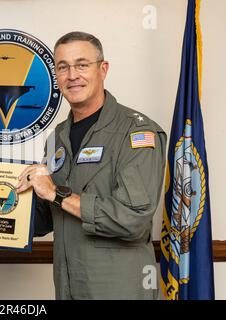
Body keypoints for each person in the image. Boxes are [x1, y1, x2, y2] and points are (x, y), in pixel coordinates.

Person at [16, 32, 167, 299]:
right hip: (68, 287)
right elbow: (48, 217)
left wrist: (56, 193)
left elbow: (133, 220)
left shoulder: (136, 133)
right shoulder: (58, 137)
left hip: (119, 290)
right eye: (63, 67)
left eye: (82, 64)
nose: (72, 75)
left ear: (103, 69)